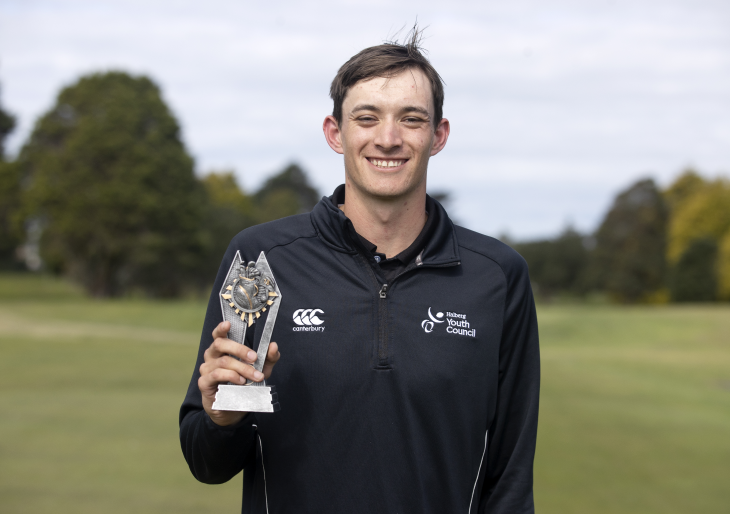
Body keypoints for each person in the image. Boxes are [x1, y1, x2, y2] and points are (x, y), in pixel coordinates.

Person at [180, 28, 540, 514]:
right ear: (336, 133)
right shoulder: (260, 259)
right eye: (366, 118)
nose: (388, 139)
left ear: (438, 135)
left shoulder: (497, 276)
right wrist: (221, 420)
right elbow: (208, 463)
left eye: (411, 119)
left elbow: (511, 475)